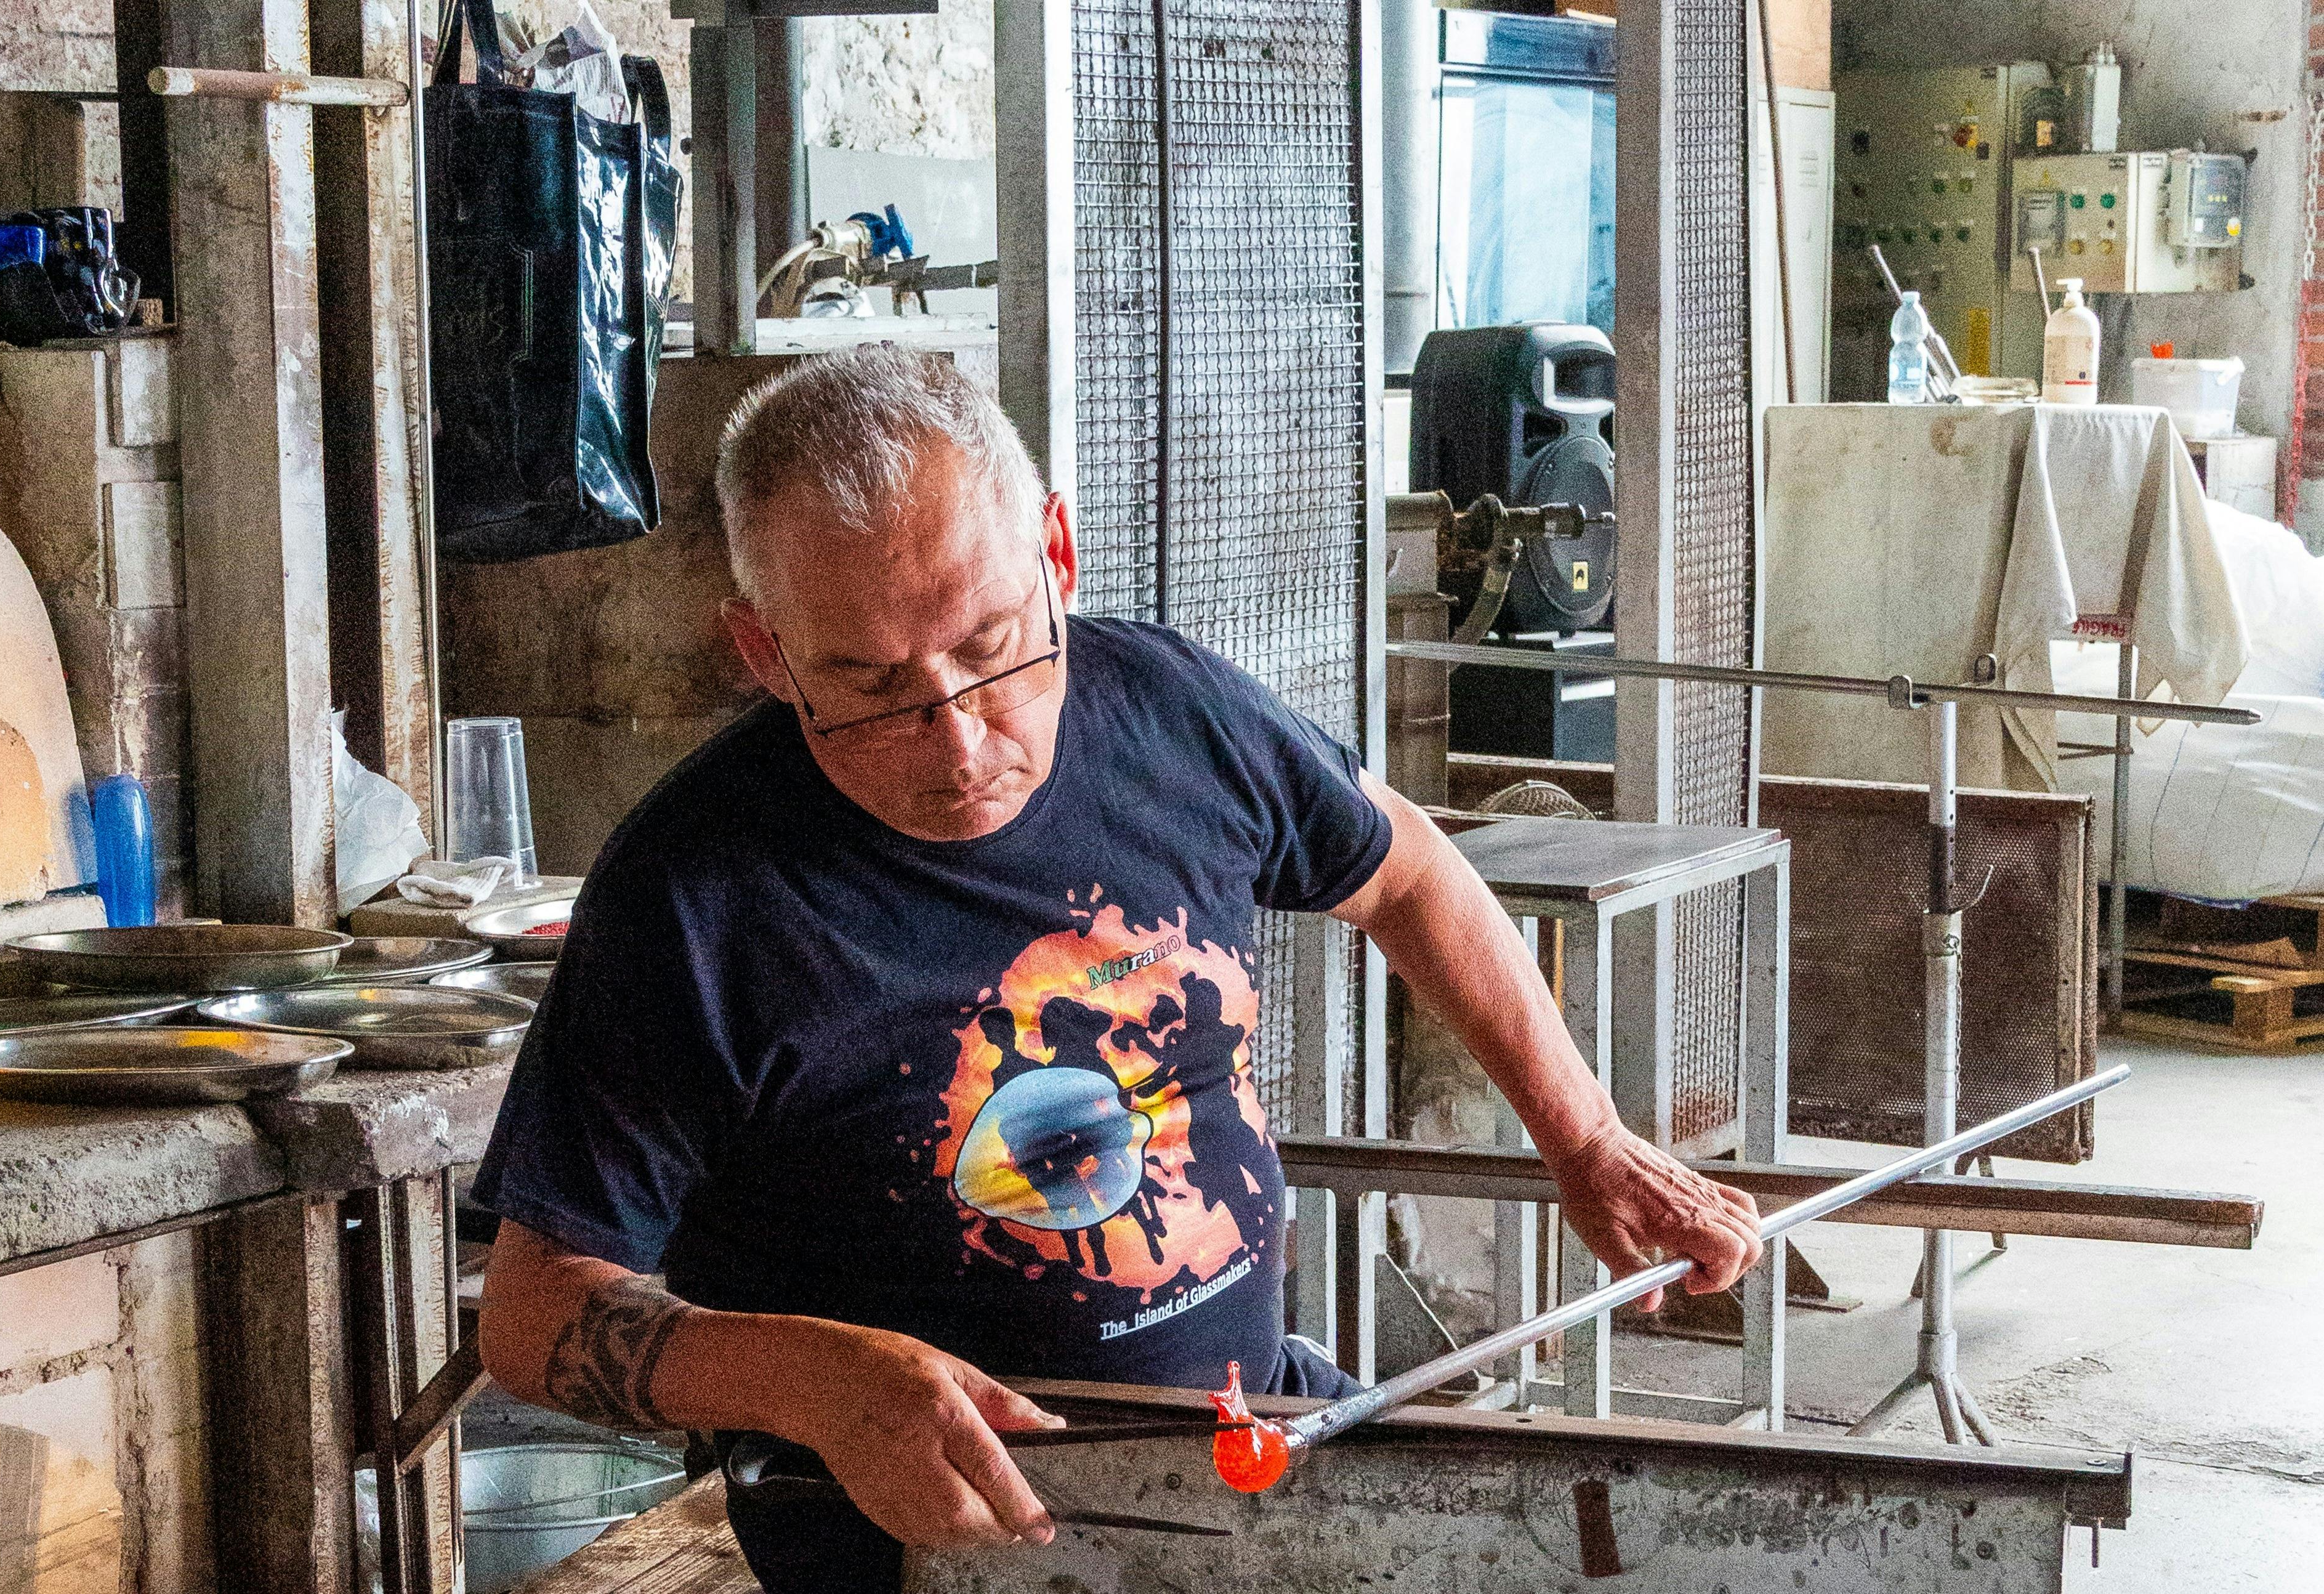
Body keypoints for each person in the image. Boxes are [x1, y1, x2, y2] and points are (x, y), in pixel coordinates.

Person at [473, 347, 1763, 1590]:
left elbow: (1407, 871)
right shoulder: (694, 897)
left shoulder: (1171, 710)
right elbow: (532, 1314)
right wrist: (811, 1380)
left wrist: (1587, 1138)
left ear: (1057, 554)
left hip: (1250, 1439)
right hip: (945, 1548)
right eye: (868, 685)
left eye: (993, 649)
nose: (958, 740)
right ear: (766, 652)